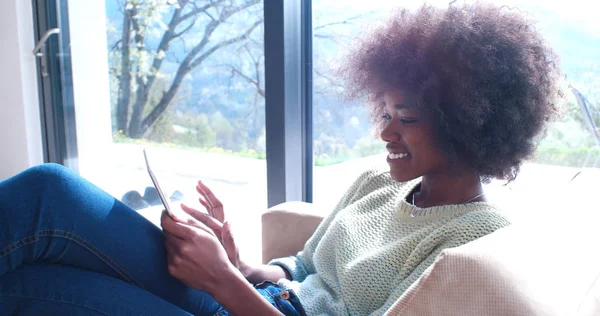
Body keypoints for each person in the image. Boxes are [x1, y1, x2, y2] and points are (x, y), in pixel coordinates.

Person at [0, 2, 560, 315]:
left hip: (241, 311)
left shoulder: (467, 244)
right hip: (252, 298)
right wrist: (234, 259)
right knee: (48, 192)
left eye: (406, 116)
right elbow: (301, 270)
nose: (385, 129)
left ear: (470, 121)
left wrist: (223, 283)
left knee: (25, 289)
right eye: (384, 110)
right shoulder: (377, 182)